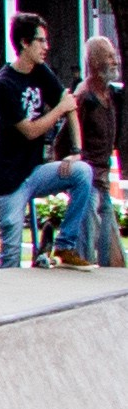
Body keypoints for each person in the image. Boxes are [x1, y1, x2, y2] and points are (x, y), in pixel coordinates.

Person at [0, 16, 96, 272]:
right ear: (24, 43)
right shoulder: (4, 85)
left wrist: (76, 152)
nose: (46, 47)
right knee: (11, 257)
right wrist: (59, 108)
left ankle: (65, 245)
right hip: (10, 179)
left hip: (35, 172)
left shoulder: (40, 71)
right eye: (40, 40)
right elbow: (31, 131)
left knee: (82, 173)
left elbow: (69, 105)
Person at [78, 37, 126, 267]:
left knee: (113, 253)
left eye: (114, 55)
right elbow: (65, 141)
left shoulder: (110, 96)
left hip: (103, 180)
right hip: (89, 180)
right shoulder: (84, 97)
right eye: (109, 56)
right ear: (95, 62)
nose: (115, 60)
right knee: (86, 248)